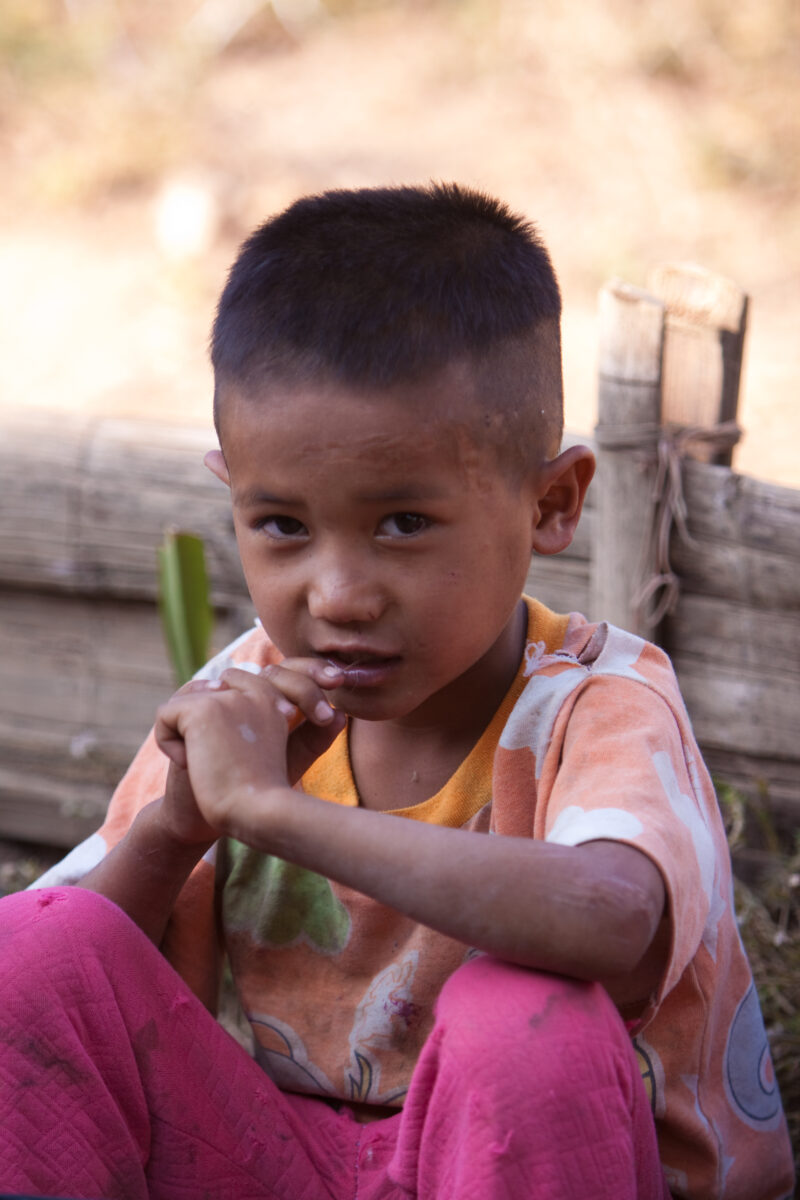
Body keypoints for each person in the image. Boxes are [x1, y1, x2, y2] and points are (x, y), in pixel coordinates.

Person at [0, 184, 793, 1200]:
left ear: (551, 504)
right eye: (281, 524)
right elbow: (72, 976)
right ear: (228, 488)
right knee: (30, 948)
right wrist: (179, 827)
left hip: (541, 1164)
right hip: (267, 1156)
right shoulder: (244, 702)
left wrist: (277, 814)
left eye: (403, 524)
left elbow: (610, 919)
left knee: (523, 1021)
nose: (336, 595)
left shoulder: (596, 703)